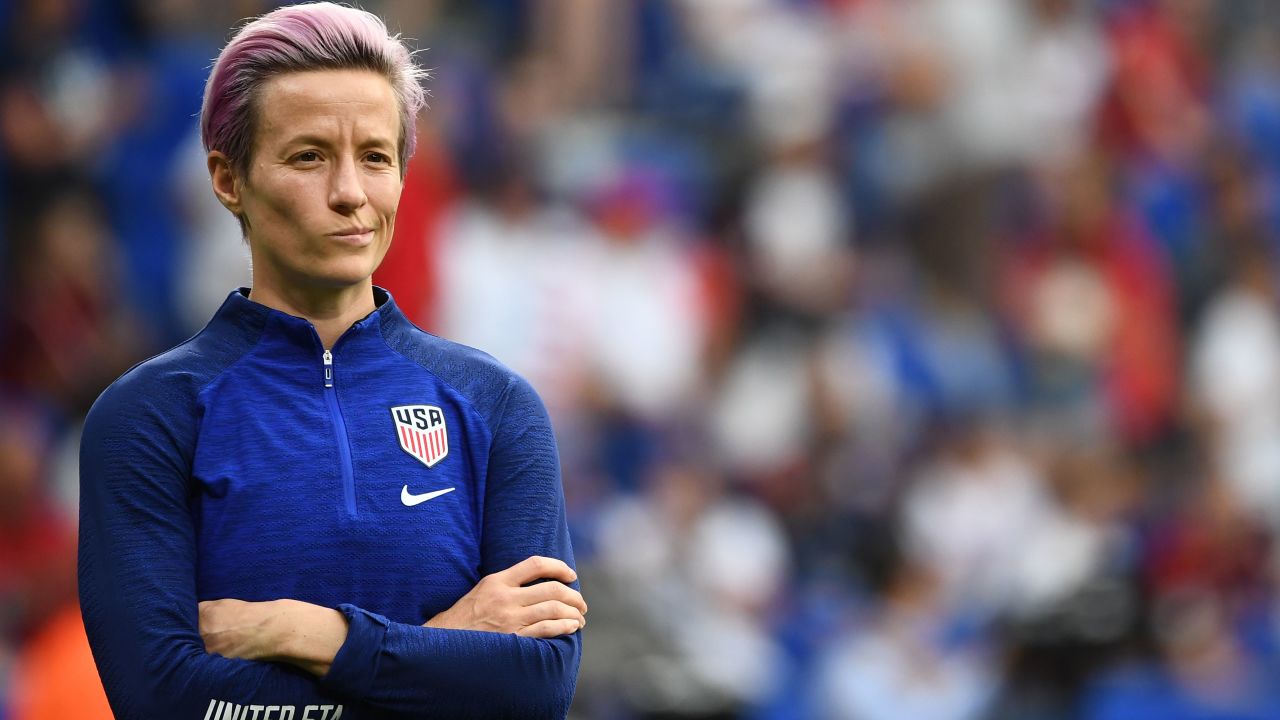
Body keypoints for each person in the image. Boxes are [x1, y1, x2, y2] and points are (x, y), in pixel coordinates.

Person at [77, 4, 585, 718]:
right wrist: (442, 649)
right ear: (229, 179)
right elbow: (166, 701)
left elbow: (537, 691)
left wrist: (309, 633)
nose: (350, 193)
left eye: (376, 157)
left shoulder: (497, 405)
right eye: (309, 156)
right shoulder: (148, 416)